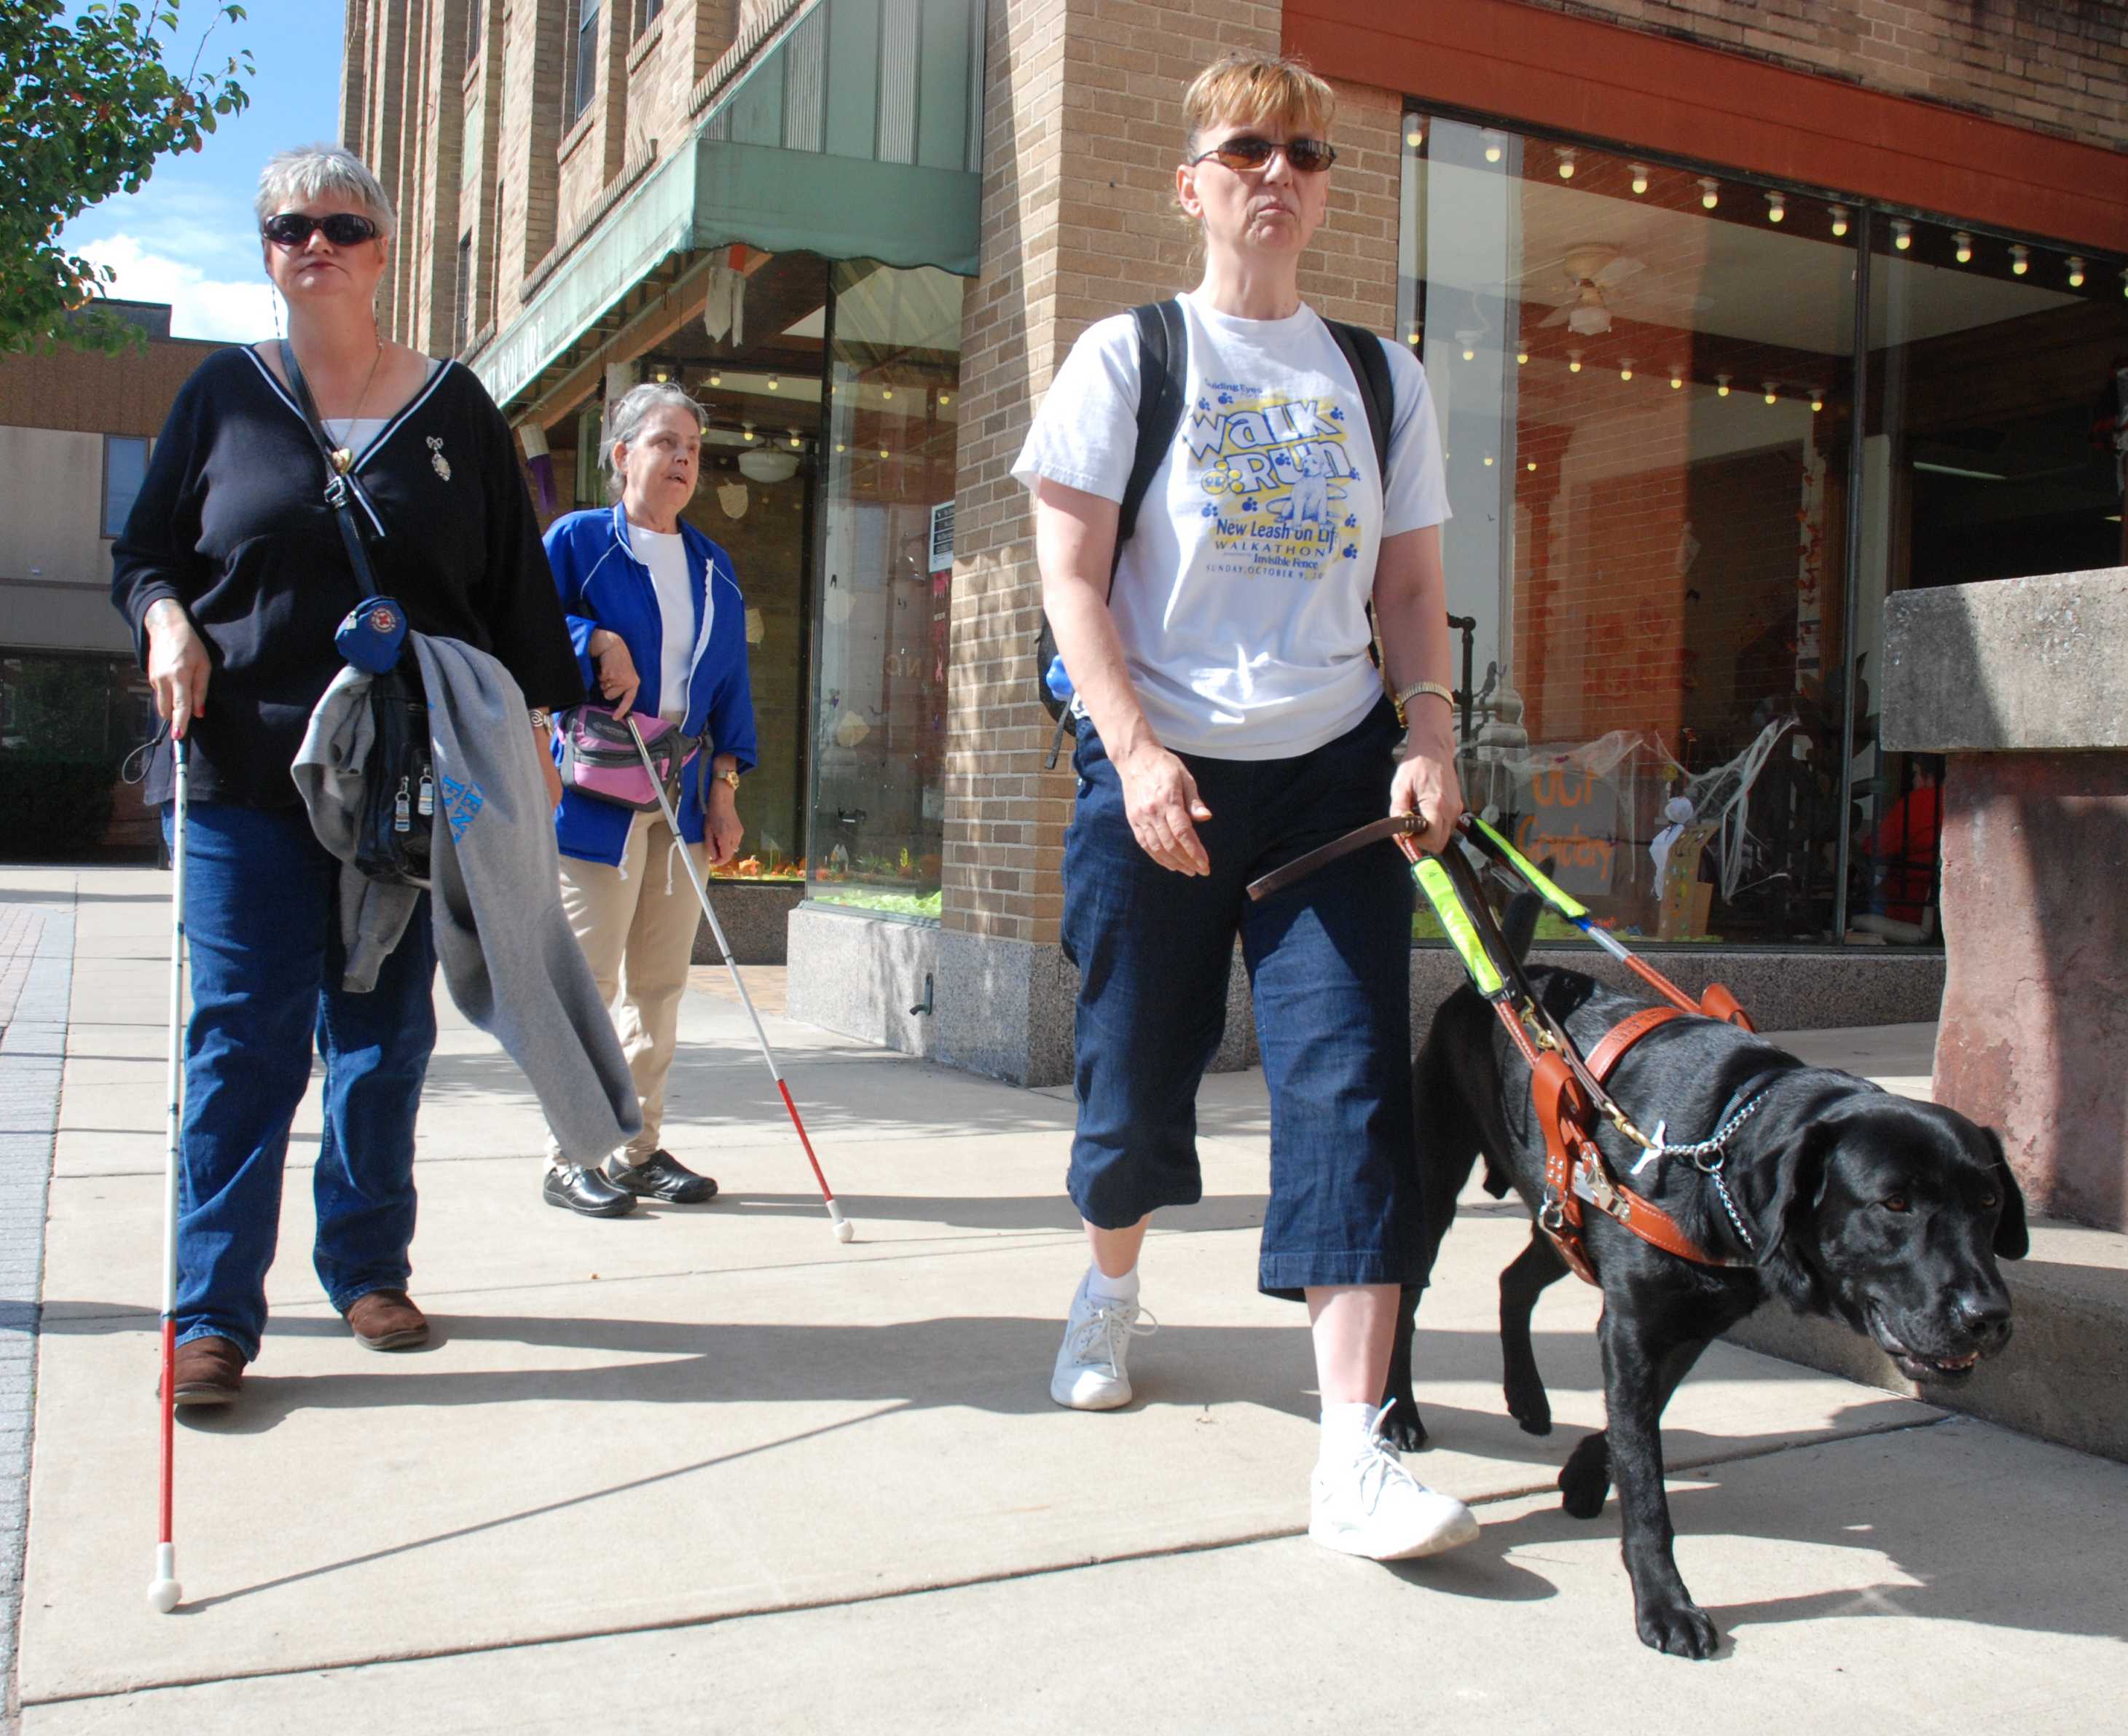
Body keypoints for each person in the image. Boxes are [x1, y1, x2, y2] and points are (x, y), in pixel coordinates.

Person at [1011, 52, 1477, 1562]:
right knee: (1134, 1081)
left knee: (1345, 1091)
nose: (1277, 172)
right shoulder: (1126, 358)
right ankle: (1108, 1278)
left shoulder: (1375, 376)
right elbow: (1069, 582)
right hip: (1162, 779)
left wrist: (1426, 729)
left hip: (1335, 783)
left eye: (1305, 153)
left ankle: (1353, 1450)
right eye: (1245, 149)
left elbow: (1408, 588)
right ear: (1191, 183)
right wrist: (1135, 751)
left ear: (1327, 186)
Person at [110, 145, 585, 1407]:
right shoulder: (222, 395)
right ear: (266, 252)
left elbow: (511, 601)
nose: (312, 242)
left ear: (383, 249)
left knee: (381, 1033)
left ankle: (367, 1260)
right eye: (287, 226)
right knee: (242, 1040)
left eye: (340, 223)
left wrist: (527, 750)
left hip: (408, 781)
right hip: (241, 771)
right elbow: (148, 552)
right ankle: (212, 1309)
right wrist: (164, 620)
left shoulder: (457, 410)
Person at [537, 384, 757, 1217]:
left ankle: (635, 1145)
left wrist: (727, 788)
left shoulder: (710, 562)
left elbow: (730, 681)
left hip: (684, 793)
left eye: (693, 449)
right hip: (595, 791)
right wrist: (591, 636)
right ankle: (571, 1151)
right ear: (621, 453)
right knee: (586, 978)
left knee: (659, 982)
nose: (682, 461)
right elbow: (518, 625)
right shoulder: (579, 539)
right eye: (666, 443)